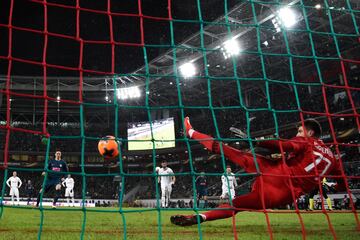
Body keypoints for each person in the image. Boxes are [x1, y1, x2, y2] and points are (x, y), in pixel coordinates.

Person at [171, 117, 345, 226]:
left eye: (300, 131)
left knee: (229, 151)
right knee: (236, 205)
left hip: (275, 173)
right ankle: (201, 217)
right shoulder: (333, 159)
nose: (298, 134)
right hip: (282, 195)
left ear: (310, 132)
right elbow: (342, 184)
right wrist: (336, 188)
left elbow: (284, 144)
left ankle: (191, 132)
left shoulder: (307, 142)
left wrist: (256, 142)